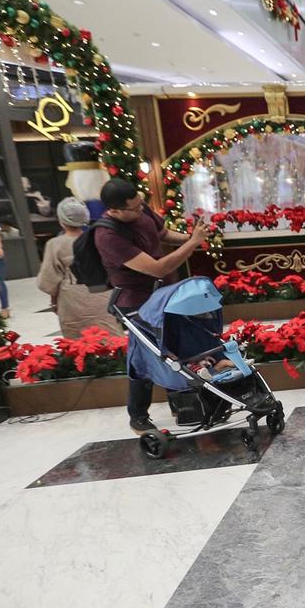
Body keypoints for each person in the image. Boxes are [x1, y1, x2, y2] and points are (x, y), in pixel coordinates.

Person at [94, 178, 208, 434]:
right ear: (114, 210)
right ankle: (138, 416)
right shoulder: (107, 235)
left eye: (140, 204)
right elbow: (157, 267)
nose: (140, 210)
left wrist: (192, 238)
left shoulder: (140, 208)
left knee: (173, 347)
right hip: (134, 301)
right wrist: (192, 244)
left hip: (163, 293)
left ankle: (180, 404)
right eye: (134, 209)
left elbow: (162, 234)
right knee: (145, 355)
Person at [37, 198, 121, 338]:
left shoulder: (55, 244)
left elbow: (49, 278)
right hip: (103, 293)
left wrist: (54, 300)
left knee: (79, 341)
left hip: (72, 299)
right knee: (108, 335)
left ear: (61, 220)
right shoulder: (97, 238)